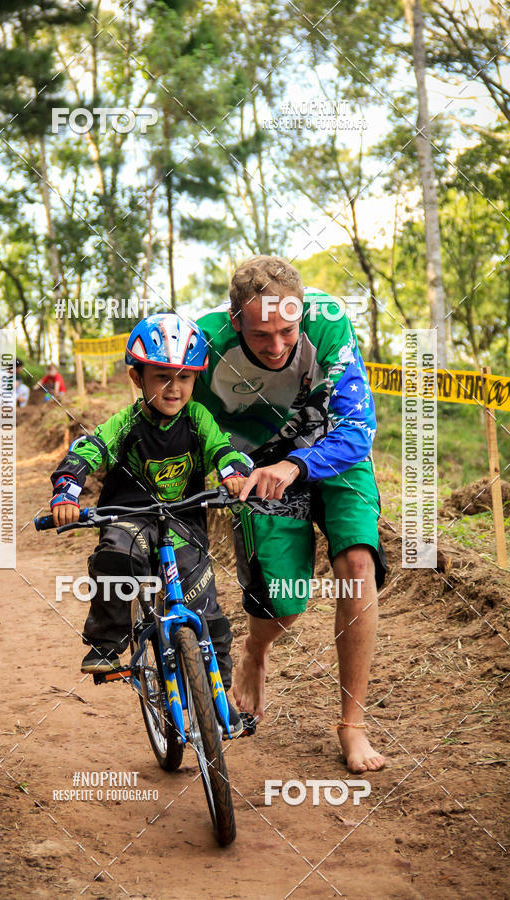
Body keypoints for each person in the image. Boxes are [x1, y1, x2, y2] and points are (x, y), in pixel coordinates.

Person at [194, 255, 387, 773]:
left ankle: (352, 725)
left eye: (287, 330)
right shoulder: (203, 342)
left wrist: (299, 464)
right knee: (286, 605)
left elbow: (358, 424)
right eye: (261, 335)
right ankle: (256, 651)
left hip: (333, 452)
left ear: (301, 313)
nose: (277, 346)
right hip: (255, 465)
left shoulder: (329, 321)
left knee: (356, 567)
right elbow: (174, 415)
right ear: (235, 321)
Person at [49, 313, 252, 736]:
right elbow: (87, 450)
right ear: (136, 377)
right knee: (117, 556)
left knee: (210, 617)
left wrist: (233, 472)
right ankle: (107, 641)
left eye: (184, 378)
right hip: (130, 516)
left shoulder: (198, 419)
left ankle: (219, 697)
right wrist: (67, 491)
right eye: (161, 376)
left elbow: (223, 449)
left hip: (184, 521)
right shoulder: (125, 425)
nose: (173, 388)